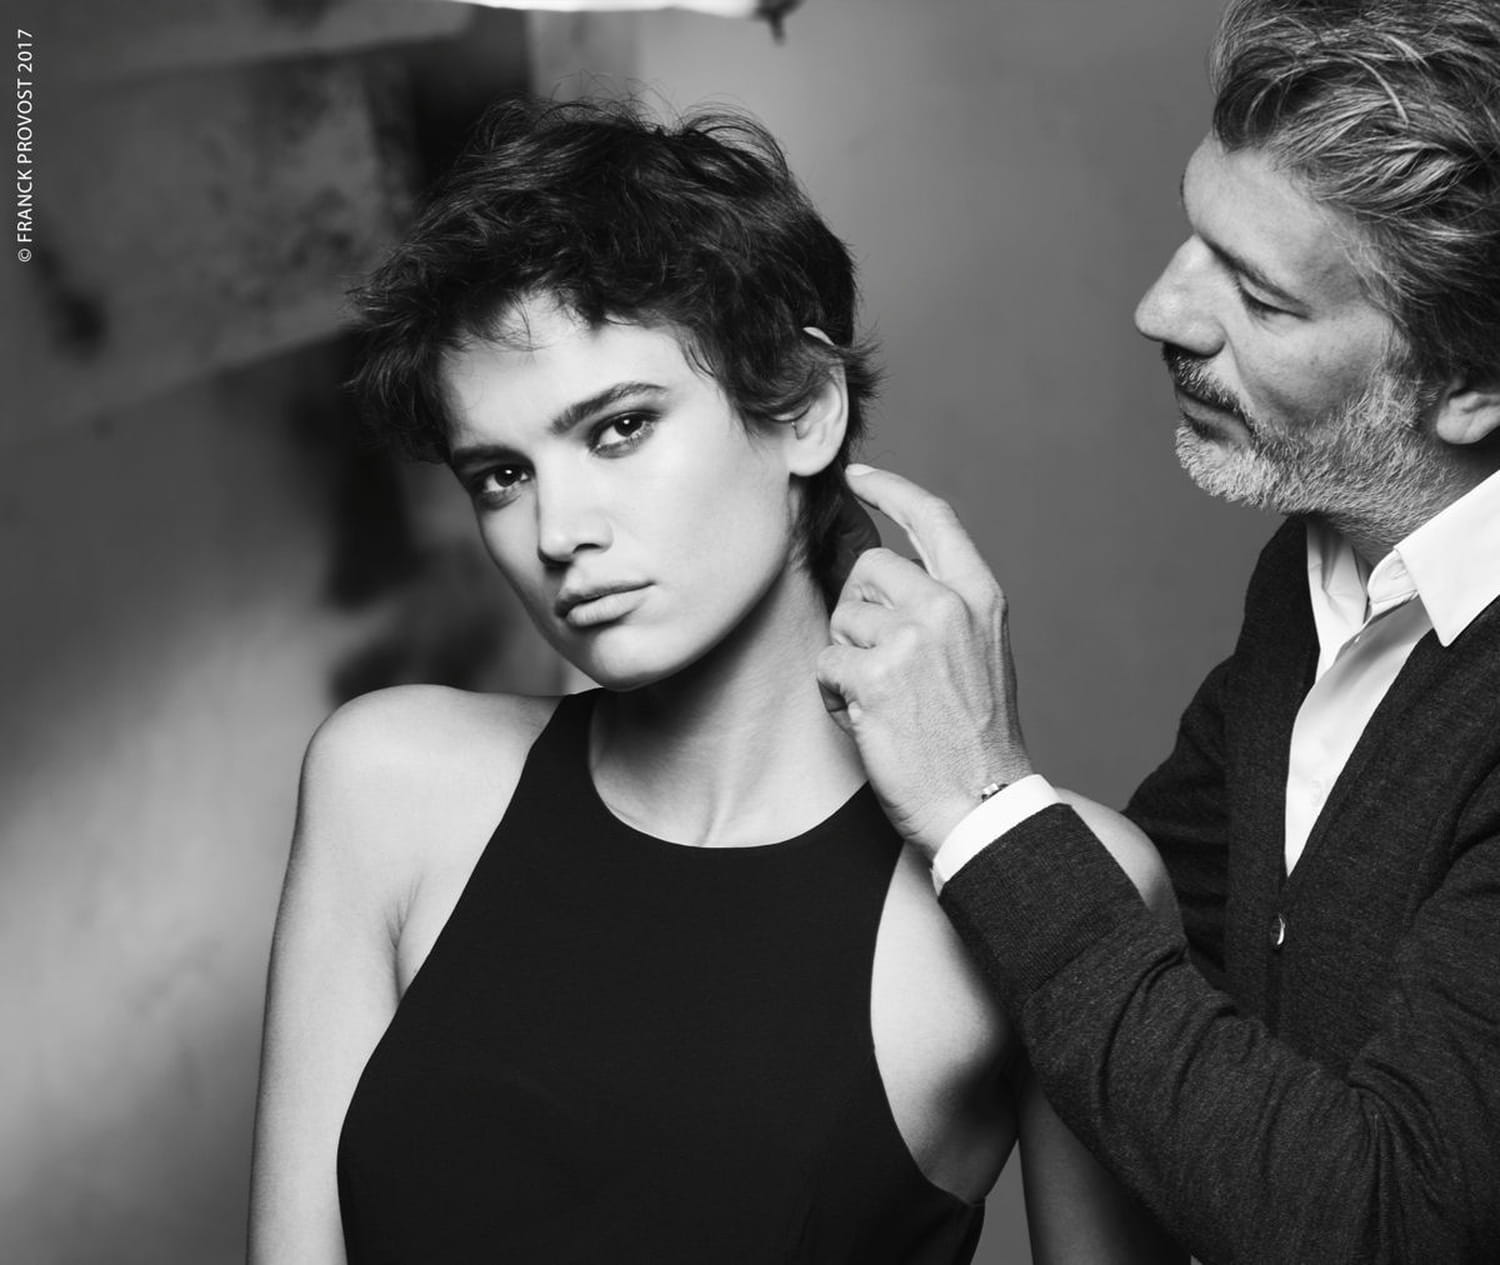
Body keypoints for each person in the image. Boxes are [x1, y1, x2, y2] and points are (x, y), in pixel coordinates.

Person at [246, 98, 1181, 1264]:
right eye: (499, 475)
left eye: (619, 428)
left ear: (804, 407)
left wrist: (994, 813)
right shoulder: (388, 783)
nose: (557, 530)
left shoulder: (1046, 886)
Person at [817, 1, 1500, 1262]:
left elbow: (1386, 1220)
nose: (1161, 309)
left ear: (1473, 385)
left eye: (1259, 297)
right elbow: (1139, 926)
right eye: (1197, 236)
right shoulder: (1321, 575)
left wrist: (981, 796)